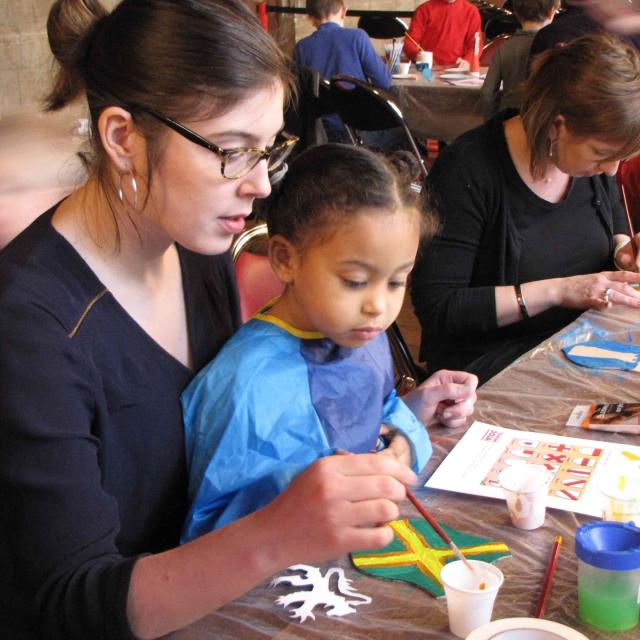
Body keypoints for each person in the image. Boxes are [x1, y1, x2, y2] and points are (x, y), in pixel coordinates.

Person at [0, 1, 478, 638]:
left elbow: (236, 437)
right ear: (122, 138)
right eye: (231, 151)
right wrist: (277, 533)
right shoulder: (30, 326)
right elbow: (71, 601)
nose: (259, 185)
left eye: (268, 149)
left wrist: (393, 418)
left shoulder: (193, 246)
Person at [181, 145, 437, 540]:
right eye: (355, 282)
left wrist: (405, 443)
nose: (379, 306)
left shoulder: (362, 335)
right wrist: (296, 497)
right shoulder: (245, 387)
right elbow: (210, 534)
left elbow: (381, 406)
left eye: (397, 281)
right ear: (286, 259)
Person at [410, 33, 640, 385]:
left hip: (579, 345)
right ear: (557, 125)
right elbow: (440, 309)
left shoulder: (588, 167)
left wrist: (624, 252)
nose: (611, 170)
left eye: (620, 159)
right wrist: (560, 290)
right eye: (601, 154)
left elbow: (614, 222)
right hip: (491, 365)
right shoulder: (468, 170)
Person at [293, 0, 398, 148]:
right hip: (359, 127)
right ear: (344, 12)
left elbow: (299, 93)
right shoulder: (357, 37)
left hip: (320, 131)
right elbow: (384, 82)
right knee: (401, 132)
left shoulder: (301, 47)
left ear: (310, 17)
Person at [480, 0, 560, 120]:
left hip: (508, 118)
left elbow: (487, 94)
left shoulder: (504, 48)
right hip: (539, 121)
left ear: (516, 13)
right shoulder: (554, 47)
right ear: (551, 12)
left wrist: (491, 122)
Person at [403, 0, 483, 69]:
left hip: (457, 70)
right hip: (428, 69)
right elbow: (410, 42)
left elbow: (476, 45)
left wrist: (468, 61)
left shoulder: (471, 11)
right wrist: (416, 55)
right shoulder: (424, 9)